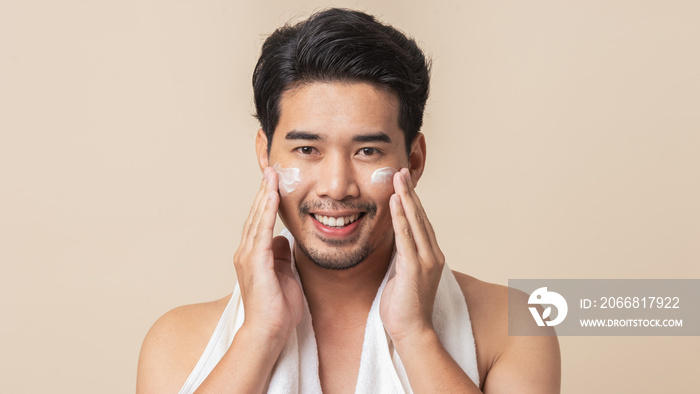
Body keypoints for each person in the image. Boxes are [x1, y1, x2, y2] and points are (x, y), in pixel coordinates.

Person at [136, 8, 560, 393]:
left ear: (413, 159)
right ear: (265, 155)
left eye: (367, 151)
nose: (337, 187)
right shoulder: (176, 342)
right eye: (307, 150)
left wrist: (416, 336)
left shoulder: (516, 327)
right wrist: (259, 335)